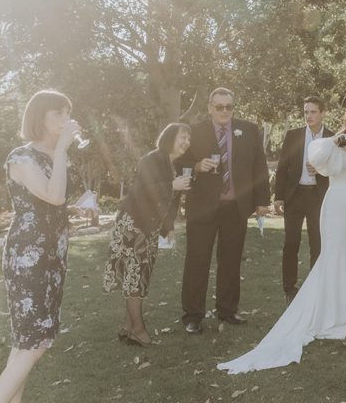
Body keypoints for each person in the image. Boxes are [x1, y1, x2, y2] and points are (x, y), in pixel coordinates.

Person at [217, 103, 346, 374]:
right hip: (335, 204)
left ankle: (345, 316)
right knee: (331, 257)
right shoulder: (334, 145)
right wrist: (336, 139)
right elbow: (316, 156)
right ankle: (325, 315)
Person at [0, 90, 80, 403]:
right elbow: (53, 195)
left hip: (54, 255)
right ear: (38, 116)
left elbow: (61, 200)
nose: (65, 118)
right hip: (27, 257)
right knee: (34, 343)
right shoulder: (21, 157)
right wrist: (62, 153)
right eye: (57, 113)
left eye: (67, 112)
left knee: (26, 344)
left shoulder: (56, 154)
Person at [178, 88, 271, 334]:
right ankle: (193, 315)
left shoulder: (249, 130)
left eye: (229, 107)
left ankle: (227, 310)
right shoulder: (193, 132)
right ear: (209, 108)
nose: (224, 112)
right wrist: (196, 166)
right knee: (197, 260)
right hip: (202, 207)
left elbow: (259, 166)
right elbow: (177, 161)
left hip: (236, 207)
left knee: (231, 261)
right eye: (219, 107)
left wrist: (263, 200)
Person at [103, 123, 192, 345]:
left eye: (188, 139)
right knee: (136, 276)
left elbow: (171, 202)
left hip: (150, 228)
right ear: (169, 137)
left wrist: (168, 227)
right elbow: (144, 190)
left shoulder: (175, 165)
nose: (186, 142)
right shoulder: (152, 159)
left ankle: (127, 327)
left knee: (139, 276)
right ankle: (139, 330)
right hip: (134, 225)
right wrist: (173, 184)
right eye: (182, 137)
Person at [273, 96, 333, 304]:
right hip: (295, 195)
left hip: (319, 197)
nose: (309, 116)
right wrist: (279, 196)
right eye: (306, 112)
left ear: (323, 112)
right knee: (291, 243)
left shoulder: (332, 138)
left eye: (313, 112)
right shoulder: (293, 135)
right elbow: (282, 168)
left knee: (318, 243)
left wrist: (321, 171)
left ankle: (316, 287)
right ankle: (289, 289)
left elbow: (337, 169)